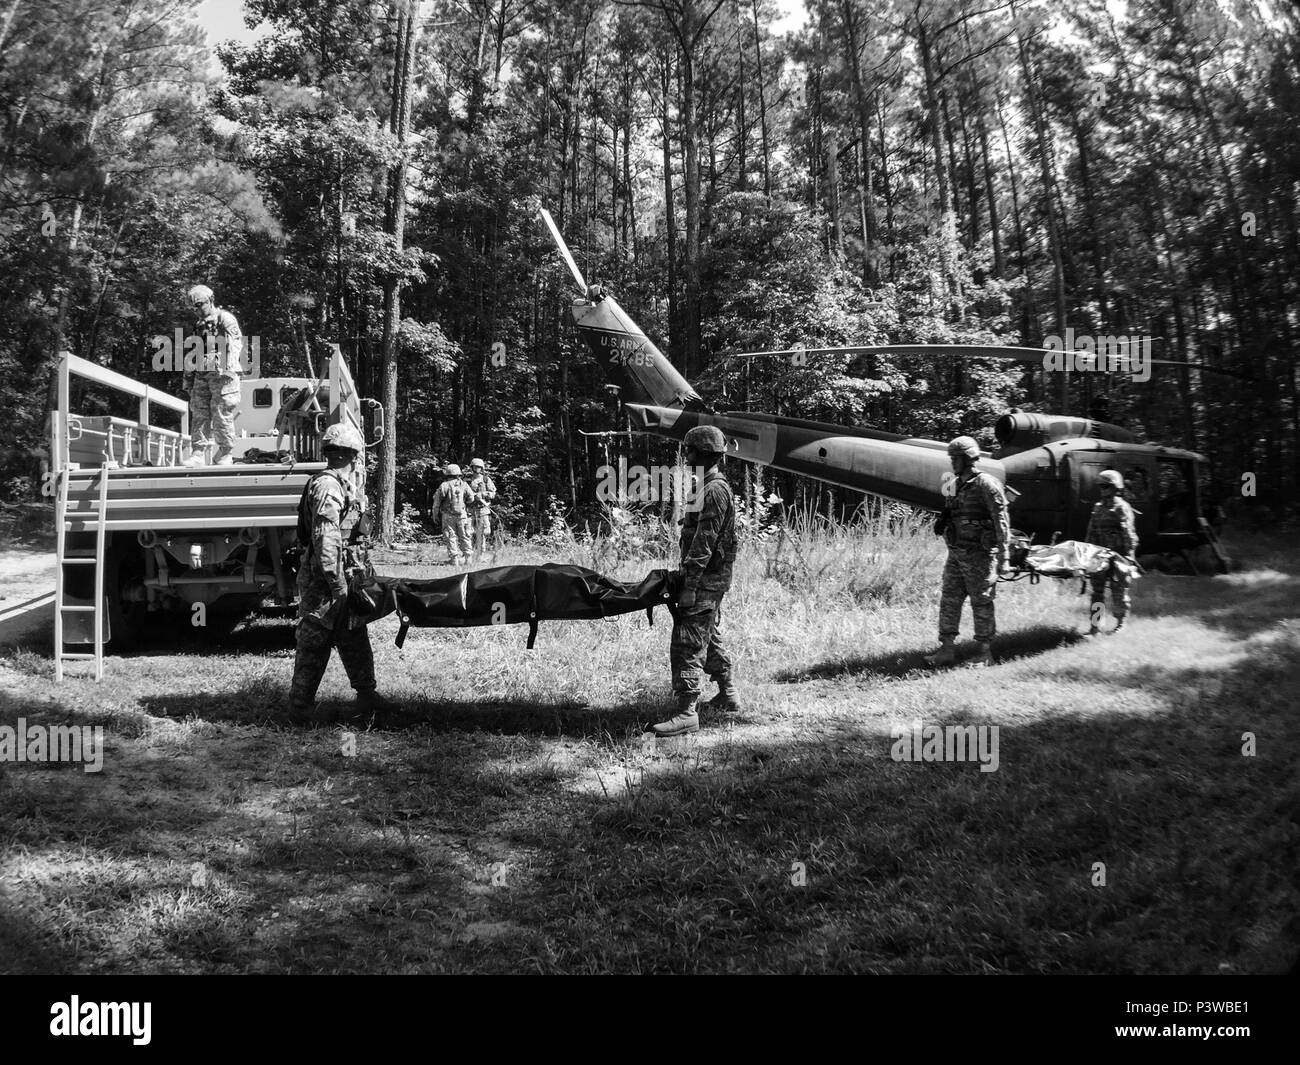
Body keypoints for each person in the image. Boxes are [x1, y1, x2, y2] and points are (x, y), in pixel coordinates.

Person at [288, 423, 399, 721]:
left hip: (344, 576)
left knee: (353, 634)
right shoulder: (328, 487)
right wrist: (336, 584)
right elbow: (326, 539)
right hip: (327, 582)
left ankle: (366, 696)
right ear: (353, 455)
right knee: (315, 640)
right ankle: (300, 707)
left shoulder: (337, 484)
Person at [650, 425, 740, 737]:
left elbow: (705, 541)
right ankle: (728, 696)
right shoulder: (704, 486)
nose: (686, 457)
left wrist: (690, 584)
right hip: (707, 577)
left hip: (705, 580)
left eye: (690, 451)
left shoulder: (713, 490)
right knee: (708, 633)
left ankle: (686, 712)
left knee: (688, 640)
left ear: (704, 454)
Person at [925, 435, 1012, 669]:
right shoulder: (953, 484)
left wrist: (1004, 556)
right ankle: (946, 649)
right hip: (956, 553)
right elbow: (950, 511)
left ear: (968, 458)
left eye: (956, 458)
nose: (953, 462)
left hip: (980, 555)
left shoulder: (987, 484)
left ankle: (985, 652)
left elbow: (1001, 521)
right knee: (949, 599)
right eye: (952, 457)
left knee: (981, 601)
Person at [182, 284, 244, 467]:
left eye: (200, 304)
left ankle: (226, 452)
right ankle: (198, 453)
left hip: (223, 375)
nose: (197, 310)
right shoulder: (199, 325)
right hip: (202, 374)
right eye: (194, 307)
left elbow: (235, 344)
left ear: (210, 301)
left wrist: (226, 365)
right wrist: (188, 378)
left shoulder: (225, 318)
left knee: (221, 413)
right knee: (199, 412)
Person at [1084, 469, 1139, 636]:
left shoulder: (1122, 508)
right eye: (1101, 486)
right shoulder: (1098, 507)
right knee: (1097, 593)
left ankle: (1120, 624)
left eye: (1106, 486)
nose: (1103, 490)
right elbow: (1091, 531)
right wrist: (1087, 554)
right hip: (1100, 556)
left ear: (1116, 488)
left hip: (1119, 556)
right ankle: (1095, 627)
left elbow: (1129, 535)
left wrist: (1129, 559)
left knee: (1119, 592)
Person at [434, 463, 475, 565]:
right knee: (465, 536)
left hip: (448, 516)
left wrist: (435, 515)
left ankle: (454, 561)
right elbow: (471, 499)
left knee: (451, 537)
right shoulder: (464, 485)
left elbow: (437, 503)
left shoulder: (444, 485)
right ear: (458, 474)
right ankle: (468, 559)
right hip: (462, 516)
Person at [467, 457, 497, 558]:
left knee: (484, 532)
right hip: (470, 510)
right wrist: (471, 496)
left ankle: (480, 554)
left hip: (483, 510)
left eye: (479, 467)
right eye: (475, 467)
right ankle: (468, 554)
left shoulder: (486, 479)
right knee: (468, 532)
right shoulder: (467, 480)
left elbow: (493, 494)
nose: (477, 469)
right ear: (472, 467)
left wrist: (483, 494)